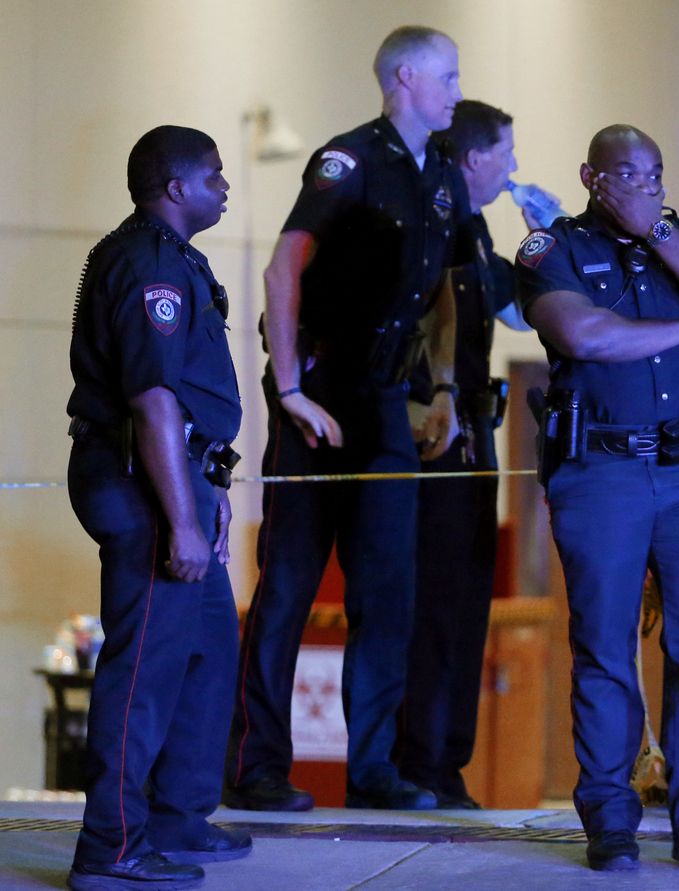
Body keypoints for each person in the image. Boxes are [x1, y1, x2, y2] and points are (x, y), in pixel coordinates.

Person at [225, 25, 468, 812]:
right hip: (320, 389)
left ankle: (372, 771)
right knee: (291, 581)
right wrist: (291, 389)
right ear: (404, 78)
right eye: (447, 78)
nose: (457, 92)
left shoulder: (441, 174)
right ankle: (259, 765)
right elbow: (283, 265)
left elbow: (444, 294)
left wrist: (442, 389)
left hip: (386, 403)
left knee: (386, 590)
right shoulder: (348, 160)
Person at [515, 125, 679, 871]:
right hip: (602, 472)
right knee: (604, 647)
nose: (644, 185)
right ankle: (611, 820)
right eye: (627, 175)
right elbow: (584, 334)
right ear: (592, 176)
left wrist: (657, 231)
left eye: (653, 174)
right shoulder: (551, 251)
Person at [66, 125, 250, 890]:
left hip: (178, 477)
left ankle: (176, 815)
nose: (225, 184)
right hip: (142, 480)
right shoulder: (149, 265)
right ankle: (109, 849)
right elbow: (152, 400)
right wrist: (179, 517)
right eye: (213, 174)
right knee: (141, 670)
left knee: (206, 645)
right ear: (174, 187)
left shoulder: (177, 258)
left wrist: (206, 494)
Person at [396, 99, 537, 809]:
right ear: (476, 157)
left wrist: (550, 237)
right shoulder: (431, 222)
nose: (512, 168)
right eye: (506, 155)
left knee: (465, 605)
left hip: (476, 446)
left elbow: (522, 303)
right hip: (433, 444)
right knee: (434, 606)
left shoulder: (475, 230)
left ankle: (445, 763)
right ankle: (417, 763)